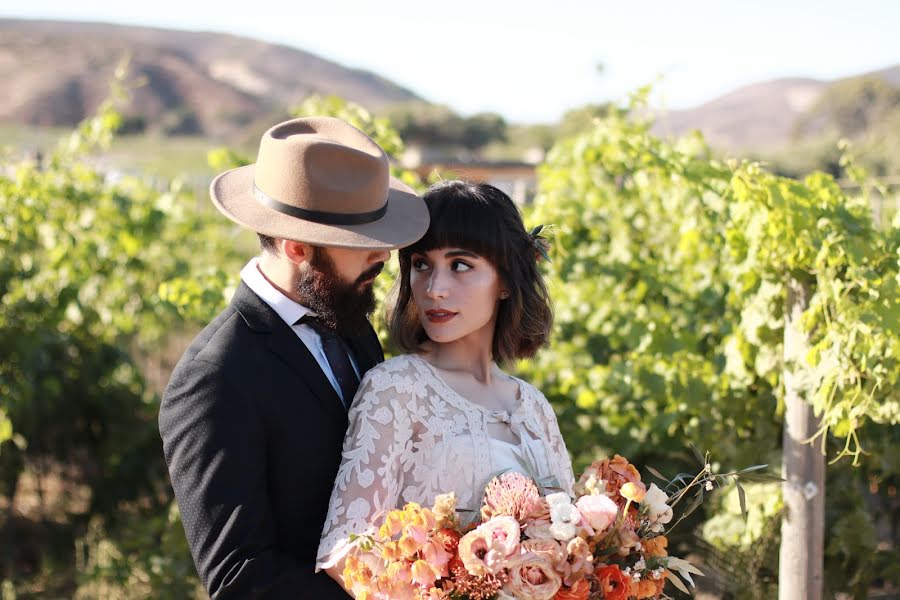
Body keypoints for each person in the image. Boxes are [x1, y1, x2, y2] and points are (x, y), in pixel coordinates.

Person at [159, 116, 429, 599]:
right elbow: (241, 575)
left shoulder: (349, 320)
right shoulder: (215, 377)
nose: (385, 256)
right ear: (297, 247)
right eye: (361, 244)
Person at [316, 180, 575, 588]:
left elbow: (571, 550)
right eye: (421, 265)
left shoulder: (534, 406)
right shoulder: (395, 389)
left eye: (460, 265)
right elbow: (347, 551)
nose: (434, 289)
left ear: (505, 280)